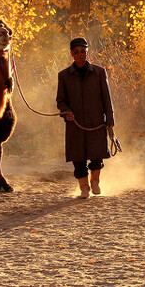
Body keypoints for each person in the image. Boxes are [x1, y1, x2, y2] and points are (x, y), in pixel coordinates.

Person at [56, 37, 115, 198]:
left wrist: (109, 121)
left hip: (96, 121)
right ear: (71, 54)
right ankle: (84, 187)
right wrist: (66, 111)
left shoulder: (99, 72)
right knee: (78, 158)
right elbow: (60, 100)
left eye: (83, 51)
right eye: (77, 52)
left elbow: (106, 98)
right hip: (75, 123)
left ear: (87, 52)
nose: (80, 54)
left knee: (97, 155)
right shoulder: (64, 76)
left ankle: (95, 181)